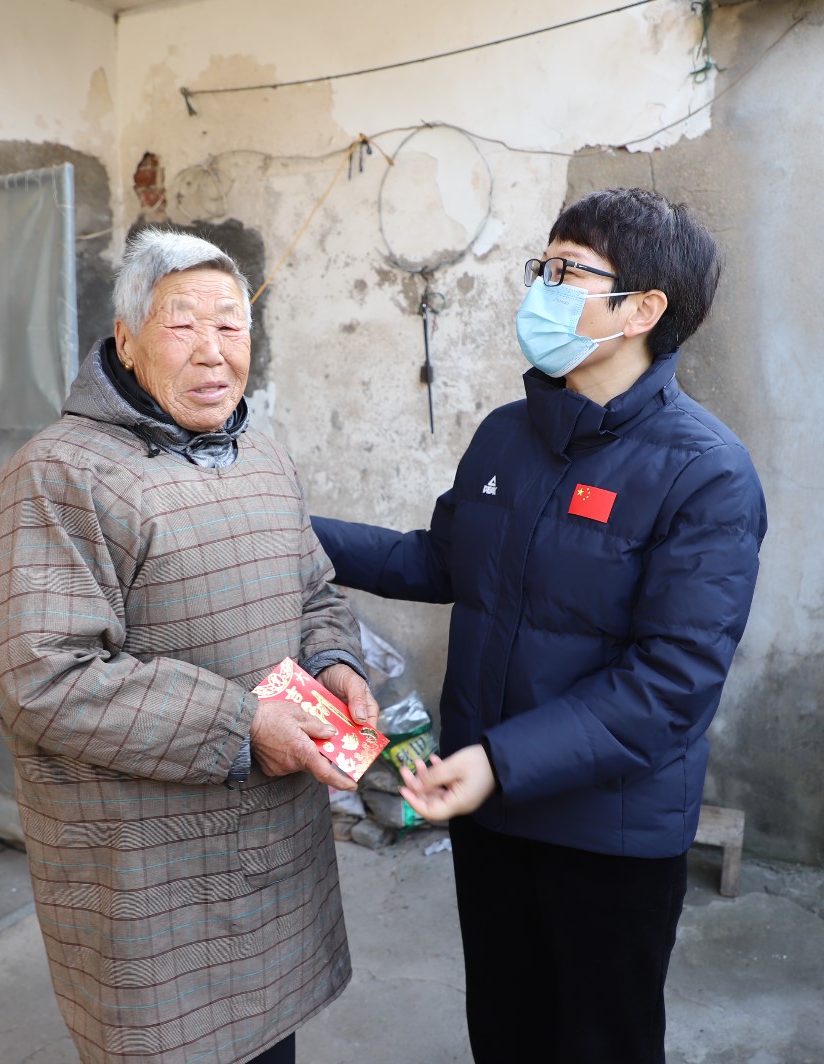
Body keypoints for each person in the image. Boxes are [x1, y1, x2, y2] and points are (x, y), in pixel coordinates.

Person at [313, 188, 766, 1063]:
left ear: (642, 310)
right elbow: (439, 561)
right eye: (542, 267)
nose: (541, 291)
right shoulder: (507, 437)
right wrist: (292, 533)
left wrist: (499, 761)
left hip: (607, 835)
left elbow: (671, 685)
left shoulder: (705, 473)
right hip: (490, 817)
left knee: (599, 1044)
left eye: (568, 273)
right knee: (506, 1032)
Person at [0, 229, 378, 1064]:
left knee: (270, 1043)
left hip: (277, 847)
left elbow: (314, 591)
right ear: (125, 340)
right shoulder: (58, 475)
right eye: (182, 323)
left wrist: (334, 662)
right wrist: (243, 727)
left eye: (230, 324)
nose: (212, 351)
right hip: (148, 874)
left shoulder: (261, 455)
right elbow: (42, 675)